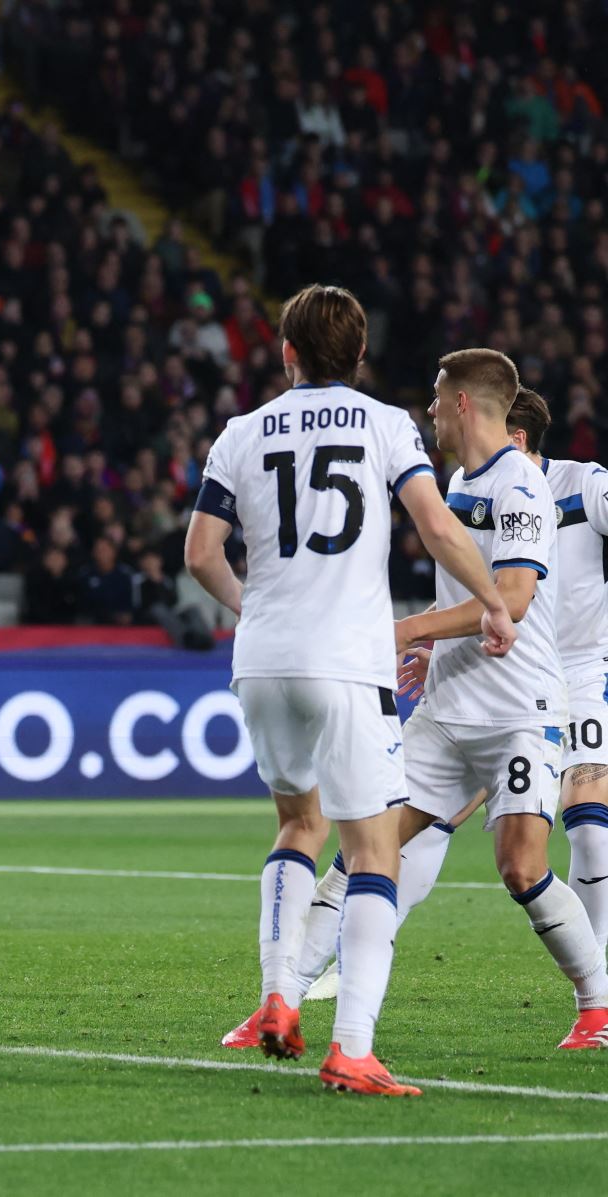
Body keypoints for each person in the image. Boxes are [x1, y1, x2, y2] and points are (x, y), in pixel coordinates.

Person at [187, 287, 517, 1096]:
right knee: (375, 854)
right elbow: (436, 525)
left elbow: (201, 553)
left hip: (262, 660)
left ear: (286, 351)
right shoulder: (385, 424)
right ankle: (353, 1048)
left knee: (297, 826)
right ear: (360, 355)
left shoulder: (239, 432)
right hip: (347, 660)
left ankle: (274, 993)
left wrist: (254, 609)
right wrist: (495, 602)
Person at [289, 386, 608, 1049]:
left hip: (548, 691)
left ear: (487, 417)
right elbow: (476, 586)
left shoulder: (552, 486)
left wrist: (409, 628)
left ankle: (597, 999)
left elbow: (513, 597)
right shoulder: (460, 481)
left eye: (437, 400)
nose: (429, 413)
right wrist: (437, 639)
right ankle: (281, 995)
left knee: (548, 850)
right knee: (368, 843)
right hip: (457, 698)